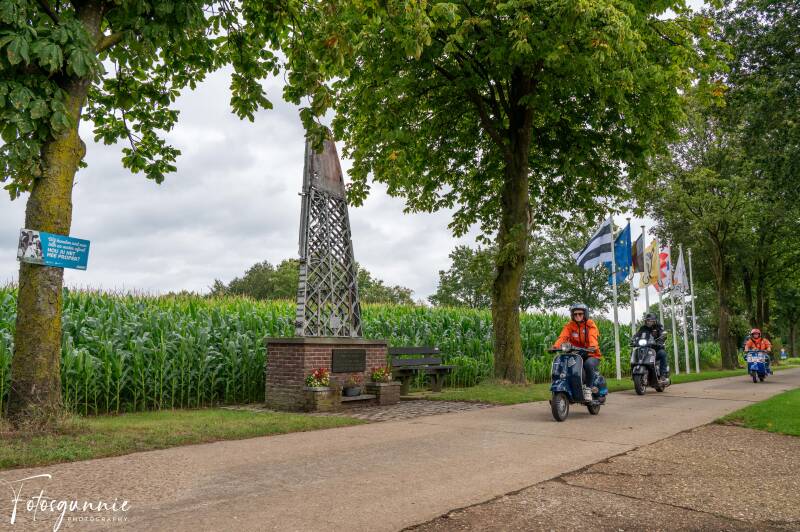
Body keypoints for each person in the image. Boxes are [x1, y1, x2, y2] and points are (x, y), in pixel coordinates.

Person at [552, 303, 601, 401]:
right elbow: (563, 337)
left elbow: (592, 336)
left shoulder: (590, 325)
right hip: (576, 354)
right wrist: (555, 346)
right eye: (575, 314)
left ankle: (588, 389)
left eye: (580, 314)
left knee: (588, 365)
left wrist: (592, 346)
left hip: (591, 353)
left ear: (585, 314)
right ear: (572, 315)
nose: (578, 316)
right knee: (566, 366)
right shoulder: (570, 326)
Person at [633, 312, 669, 383]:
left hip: (656, 349)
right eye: (647, 320)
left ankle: (663, 375)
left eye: (650, 321)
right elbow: (637, 335)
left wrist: (660, 341)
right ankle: (635, 373)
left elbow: (662, 334)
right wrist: (633, 340)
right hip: (644, 349)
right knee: (634, 353)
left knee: (662, 354)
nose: (648, 322)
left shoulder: (659, 327)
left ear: (654, 321)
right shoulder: (643, 328)